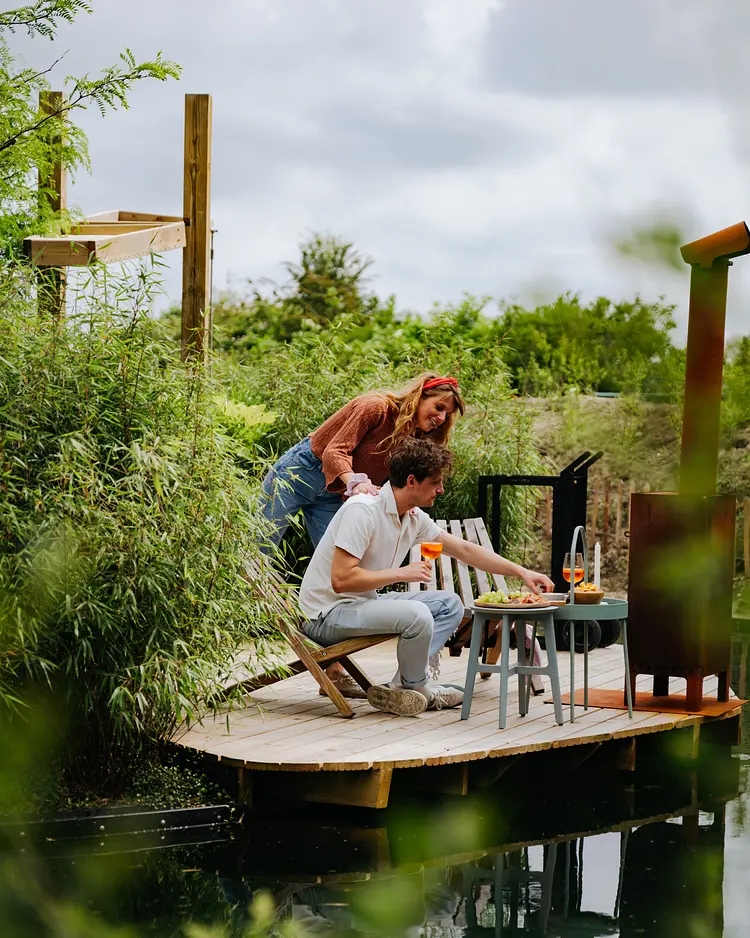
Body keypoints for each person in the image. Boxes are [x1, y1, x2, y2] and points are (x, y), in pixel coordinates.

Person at [298, 438, 554, 717]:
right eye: (435, 483)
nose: (441, 490)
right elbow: (341, 580)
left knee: (450, 604)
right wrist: (402, 573)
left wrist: (521, 571)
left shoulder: (412, 517)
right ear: (411, 481)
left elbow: (465, 549)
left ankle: (402, 684)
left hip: (361, 604)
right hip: (326, 615)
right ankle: (418, 689)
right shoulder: (363, 510)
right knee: (418, 614)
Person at [260, 373, 465, 698]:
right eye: (439, 406)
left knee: (338, 573)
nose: (440, 417)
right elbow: (333, 452)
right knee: (257, 555)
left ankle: (333, 668)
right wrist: (355, 480)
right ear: (420, 395)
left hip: (334, 494)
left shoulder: (409, 441)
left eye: (447, 415)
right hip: (300, 472)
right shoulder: (376, 408)